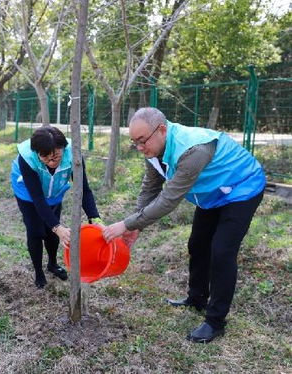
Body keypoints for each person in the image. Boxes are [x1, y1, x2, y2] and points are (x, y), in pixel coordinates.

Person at [103, 107, 266, 343]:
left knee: (221, 251)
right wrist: (135, 224)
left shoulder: (192, 151)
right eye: (134, 142)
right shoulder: (153, 150)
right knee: (198, 244)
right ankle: (197, 298)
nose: (139, 148)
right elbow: (150, 189)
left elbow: (168, 200)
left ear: (162, 130)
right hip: (212, 193)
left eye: (142, 141)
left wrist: (125, 225)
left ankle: (215, 321)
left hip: (242, 187)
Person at [11, 126, 102, 288]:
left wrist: (94, 218)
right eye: (45, 159)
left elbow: (84, 190)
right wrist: (58, 227)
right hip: (28, 193)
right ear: (37, 153)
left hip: (55, 189)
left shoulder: (73, 155)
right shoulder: (27, 158)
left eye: (56, 157)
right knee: (36, 231)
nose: (52, 162)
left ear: (63, 149)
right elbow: (38, 199)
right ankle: (38, 272)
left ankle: (52, 264)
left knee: (51, 232)